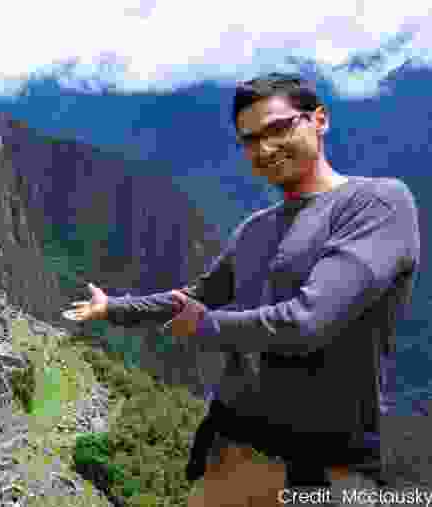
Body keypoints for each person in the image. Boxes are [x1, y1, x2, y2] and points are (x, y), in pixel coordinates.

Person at [65, 72, 419, 506]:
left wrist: (207, 327)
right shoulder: (256, 229)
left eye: (279, 128)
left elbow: (309, 321)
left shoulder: (376, 204)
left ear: (319, 120)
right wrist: (112, 308)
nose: (265, 148)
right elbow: (196, 297)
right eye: (251, 140)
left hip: (322, 469)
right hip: (229, 454)